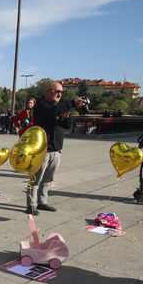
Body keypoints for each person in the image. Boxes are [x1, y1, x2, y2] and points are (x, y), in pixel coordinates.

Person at [26, 82, 89, 214]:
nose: (59, 94)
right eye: (56, 91)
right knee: (35, 179)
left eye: (61, 92)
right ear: (48, 91)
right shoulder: (42, 105)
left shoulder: (58, 108)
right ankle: (31, 205)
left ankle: (42, 202)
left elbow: (67, 125)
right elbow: (51, 112)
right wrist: (71, 103)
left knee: (48, 179)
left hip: (56, 150)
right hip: (42, 150)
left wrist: (67, 116)